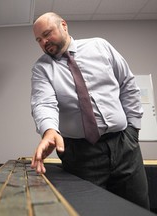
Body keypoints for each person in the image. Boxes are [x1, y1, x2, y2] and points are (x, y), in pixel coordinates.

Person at [30, 12, 150, 209]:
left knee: (137, 207)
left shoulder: (100, 46)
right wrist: (49, 130)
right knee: (88, 210)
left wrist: (133, 130)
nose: (44, 42)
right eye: (38, 40)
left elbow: (127, 84)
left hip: (124, 145)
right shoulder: (42, 68)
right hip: (80, 154)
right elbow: (43, 103)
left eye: (47, 33)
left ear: (63, 25)